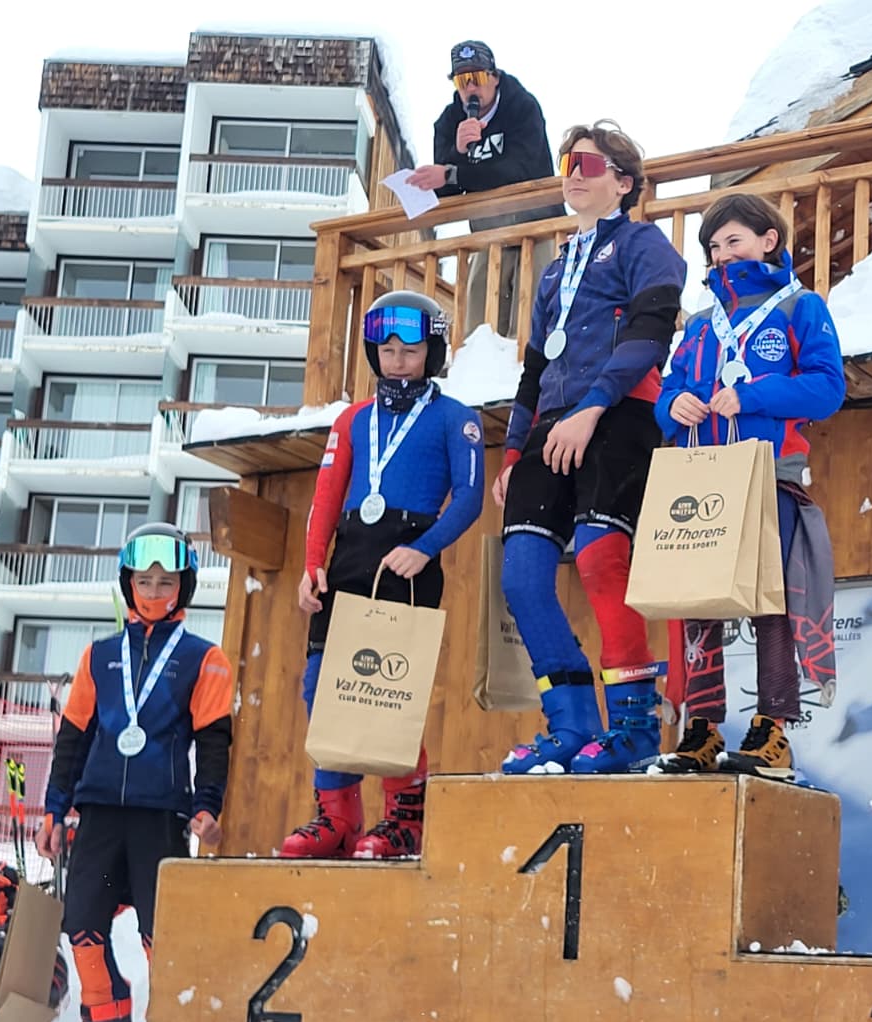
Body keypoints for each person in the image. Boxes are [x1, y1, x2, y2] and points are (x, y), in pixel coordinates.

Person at [495, 121, 686, 775]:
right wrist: (514, 450)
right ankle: (572, 724)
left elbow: (650, 332)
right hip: (549, 426)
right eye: (567, 164)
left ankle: (634, 727)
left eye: (590, 164)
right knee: (521, 576)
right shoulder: (556, 269)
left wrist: (594, 406)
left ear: (623, 183)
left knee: (603, 560)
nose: (574, 173)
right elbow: (534, 366)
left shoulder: (643, 243)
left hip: (619, 413)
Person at [648, 194, 844, 782]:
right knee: (697, 604)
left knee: (769, 599)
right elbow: (667, 392)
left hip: (767, 473)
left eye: (733, 241)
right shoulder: (700, 323)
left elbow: (827, 389)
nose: (721, 255)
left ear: (768, 240)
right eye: (713, 247)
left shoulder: (800, 307)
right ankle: (702, 727)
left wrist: (754, 395)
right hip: (702, 475)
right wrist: (672, 405)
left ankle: (773, 729)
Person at [34, 522, 232, 1022]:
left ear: (183, 587)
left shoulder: (204, 658)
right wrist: (54, 809)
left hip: (160, 817)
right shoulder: (98, 657)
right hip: (98, 814)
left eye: (165, 581)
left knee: (160, 935)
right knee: (83, 928)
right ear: (128, 584)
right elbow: (73, 738)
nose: (153, 591)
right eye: (143, 580)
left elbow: (214, 741)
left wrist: (207, 804)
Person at [285, 290, 484, 858]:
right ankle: (337, 815)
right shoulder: (352, 419)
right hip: (348, 559)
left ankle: (405, 817)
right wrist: (311, 565)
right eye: (388, 350)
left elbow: (470, 498)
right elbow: (326, 498)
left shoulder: (456, 418)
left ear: (433, 353)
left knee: (389, 690)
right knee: (321, 685)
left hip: (407, 564)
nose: (397, 361)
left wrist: (425, 548)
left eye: (410, 351)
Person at [405, 40, 565, 338]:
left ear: (495, 77)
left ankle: (530, 363)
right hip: (488, 231)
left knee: (531, 317)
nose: (470, 88)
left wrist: (453, 173)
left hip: (539, 224)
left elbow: (519, 170)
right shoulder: (448, 122)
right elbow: (448, 191)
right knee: (480, 319)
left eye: (476, 78)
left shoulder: (522, 107)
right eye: (461, 81)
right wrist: (456, 152)